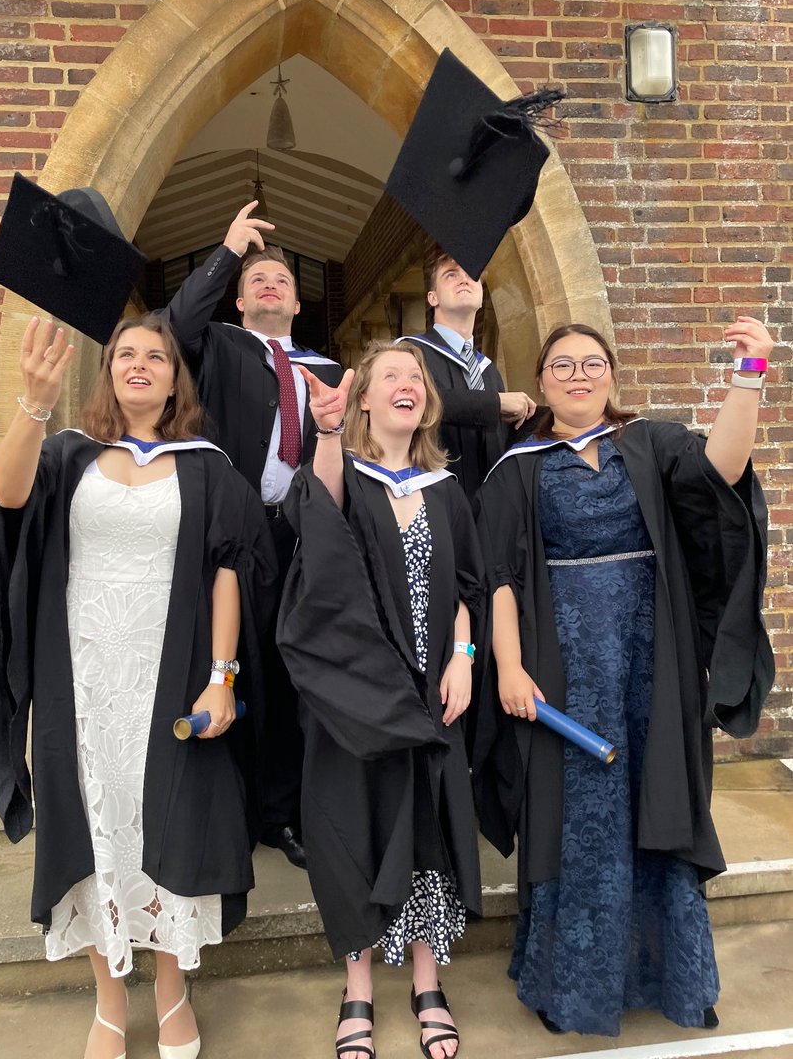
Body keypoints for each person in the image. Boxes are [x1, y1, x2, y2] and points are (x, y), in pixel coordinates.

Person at [0, 314, 275, 1059]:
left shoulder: (206, 465)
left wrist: (222, 677)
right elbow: (7, 502)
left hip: (169, 680)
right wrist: (32, 403)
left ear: (175, 379)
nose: (140, 364)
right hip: (82, 679)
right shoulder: (69, 453)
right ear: (108, 375)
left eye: (157, 357)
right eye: (125, 355)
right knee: (95, 828)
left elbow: (228, 567)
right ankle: (108, 1003)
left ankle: (173, 993)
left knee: (173, 825)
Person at [473, 319, 776, 1038]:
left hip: (650, 658)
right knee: (575, 818)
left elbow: (723, 471)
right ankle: (570, 985)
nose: (578, 375)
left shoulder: (648, 443)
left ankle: (677, 977)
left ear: (611, 374)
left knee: (658, 796)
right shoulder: (518, 467)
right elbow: (500, 577)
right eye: (561, 365)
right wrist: (509, 665)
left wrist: (750, 371)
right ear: (542, 383)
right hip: (562, 664)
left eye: (592, 363)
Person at [278, 341, 488, 1059]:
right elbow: (321, 519)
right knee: (350, 828)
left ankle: (428, 980)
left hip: (433, 695)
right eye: (389, 375)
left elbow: (467, 587)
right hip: (355, 697)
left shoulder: (446, 489)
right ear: (363, 397)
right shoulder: (345, 478)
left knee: (427, 822)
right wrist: (327, 432)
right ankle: (358, 985)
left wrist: (463, 659)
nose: (407, 384)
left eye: (417, 377)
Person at [163, 202, 344, 869]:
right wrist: (230, 248)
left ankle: (285, 810)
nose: (271, 284)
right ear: (238, 298)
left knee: (296, 674)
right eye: (257, 278)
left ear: (297, 304)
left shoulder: (323, 370)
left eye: (283, 281)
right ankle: (230, 810)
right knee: (234, 666)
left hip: (303, 534)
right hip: (233, 533)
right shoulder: (216, 347)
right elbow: (174, 325)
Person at [399, 253, 535, 501]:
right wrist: (496, 404)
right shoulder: (409, 352)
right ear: (433, 297)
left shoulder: (488, 369)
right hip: (431, 500)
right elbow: (424, 402)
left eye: (471, 275)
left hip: (489, 509)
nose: (464, 280)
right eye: (451, 274)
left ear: (482, 296)